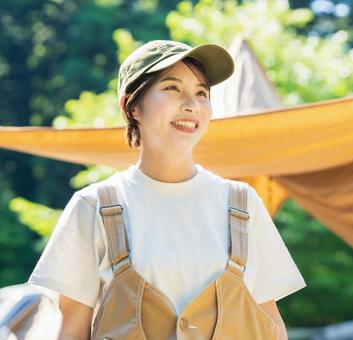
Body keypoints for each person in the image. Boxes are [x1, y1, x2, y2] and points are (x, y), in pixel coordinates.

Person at [27, 40, 306, 339]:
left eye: (202, 93)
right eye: (172, 88)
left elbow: (270, 323)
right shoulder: (93, 205)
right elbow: (72, 331)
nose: (191, 104)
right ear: (132, 106)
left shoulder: (241, 203)